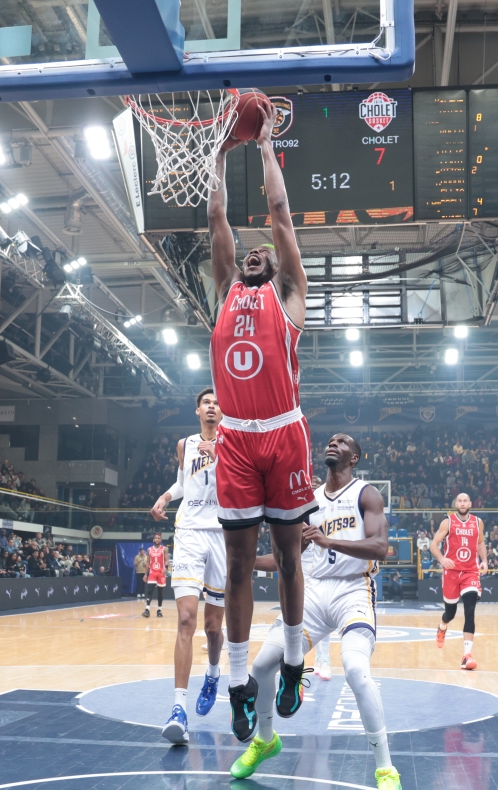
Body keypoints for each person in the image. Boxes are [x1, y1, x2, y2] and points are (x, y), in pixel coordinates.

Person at [207, 100, 316, 741]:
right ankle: (239, 685)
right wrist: (220, 153)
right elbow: (218, 215)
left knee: (289, 556)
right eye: (244, 254)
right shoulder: (224, 293)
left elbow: (277, 216)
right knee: (240, 567)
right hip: (239, 441)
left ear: (276, 267)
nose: (252, 253)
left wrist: (268, 145)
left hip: (284, 431)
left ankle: (297, 659)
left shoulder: (291, 296)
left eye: (261, 254)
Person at [235, 432, 400, 790]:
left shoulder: (366, 494)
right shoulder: (306, 501)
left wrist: (330, 542)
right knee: (260, 666)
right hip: (310, 594)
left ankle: (386, 772)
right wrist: (242, 565)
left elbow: (381, 549)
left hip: (352, 592)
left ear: (355, 456)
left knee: (357, 670)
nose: (333, 443)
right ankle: (265, 739)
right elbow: (285, 558)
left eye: (343, 442)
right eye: (330, 440)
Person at [149, 387, 227, 745]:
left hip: (223, 533)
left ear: (223, 411)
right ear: (198, 410)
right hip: (191, 531)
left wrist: (221, 458)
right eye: (206, 403)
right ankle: (178, 709)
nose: (212, 407)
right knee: (185, 619)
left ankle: (213, 673)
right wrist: (165, 496)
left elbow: (243, 485)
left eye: (216, 403)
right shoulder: (185, 445)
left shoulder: (235, 441)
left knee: (213, 628)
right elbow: (184, 484)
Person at [430, 493, 487, 669]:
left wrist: (484, 560)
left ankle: (467, 656)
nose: (462, 503)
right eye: (460, 501)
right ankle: (442, 626)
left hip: (470, 571)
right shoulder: (448, 522)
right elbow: (433, 545)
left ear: (470, 503)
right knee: (451, 613)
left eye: (465, 501)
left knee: (470, 609)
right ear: (456, 504)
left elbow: (480, 543)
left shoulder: (478, 522)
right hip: (451, 572)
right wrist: (442, 559)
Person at [141, 532, 169, 618]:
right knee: (150, 591)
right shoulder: (149, 549)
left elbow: (167, 560)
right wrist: (146, 574)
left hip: (161, 572)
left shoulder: (164, 549)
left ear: (161, 540)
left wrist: (166, 568)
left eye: (159, 538)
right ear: (153, 539)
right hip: (152, 572)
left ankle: (159, 610)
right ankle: (147, 609)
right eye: (156, 538)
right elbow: (148, 562)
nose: (157, 539)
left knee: (160, 592)